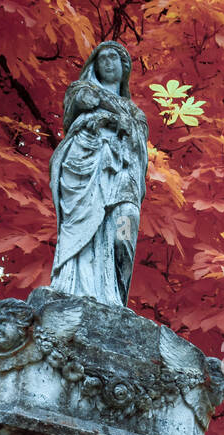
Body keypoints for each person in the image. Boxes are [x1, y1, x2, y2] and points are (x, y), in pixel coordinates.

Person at [49, 41, 149, 306]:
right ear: (94, 64)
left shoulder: (136, 113)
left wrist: (115, 119)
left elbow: (140, 146)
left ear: (124, 67)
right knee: (85, 229)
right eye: (102, 57)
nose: (107, 62)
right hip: (86, 170)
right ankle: (81, 289)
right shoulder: (81, 91)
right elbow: (81, 103)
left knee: (124, 232)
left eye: (114, 58)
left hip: (124, 176)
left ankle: (116, 295)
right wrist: (108, 118)